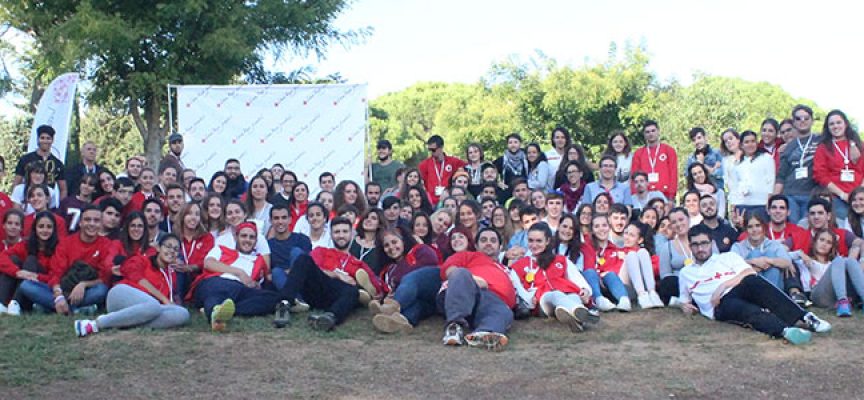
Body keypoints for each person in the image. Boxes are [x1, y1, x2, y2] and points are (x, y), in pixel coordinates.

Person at [678, 224, 831, 345]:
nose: (700, 248)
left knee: (754, 282)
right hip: (719, 305)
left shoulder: (727, 257)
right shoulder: (686, 273)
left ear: (711, 243)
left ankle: (806, 318)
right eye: (695, 245)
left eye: (704, 243)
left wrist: (722, 287)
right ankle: (786, 331)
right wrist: (684, 306)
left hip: (736, 288)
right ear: (690, 247)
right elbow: (684, 300)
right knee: (746, 310)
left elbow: (748, 272)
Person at [73, 234, 190, 337]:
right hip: (121, 295)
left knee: (182, 314)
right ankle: (96, 324)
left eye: (175, 249)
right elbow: (134, 275)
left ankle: (125, 323)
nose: (171, 251)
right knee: (153, 305)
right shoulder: (142, 260)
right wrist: (163, 299)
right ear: (158, 248)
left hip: (145, 311)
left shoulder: (171, 275)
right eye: (168, 246)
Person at [18, 206, 114, 314]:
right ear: (80, 223)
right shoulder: (66, 243)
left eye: (96, 220)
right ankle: (75, 309)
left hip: (87, 290)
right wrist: (59, 296)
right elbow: (55, 273)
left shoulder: (107, 245)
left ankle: (53, 308)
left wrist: (83, 285)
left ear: (101, 224)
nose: (91, 224)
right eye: (87, 220)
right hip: (62, 289)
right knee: (26, 285)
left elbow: (104, 278)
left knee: (101, 290)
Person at [276, 217, 364, 331]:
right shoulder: (321, 251)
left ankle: (329, 318)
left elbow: (374, 284)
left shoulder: (358, 262)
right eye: (337, 232)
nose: (341, 235)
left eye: (345, 231)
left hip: (338, 295)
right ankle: (284, 304)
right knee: (303, 259)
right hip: (317, 287)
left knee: (353, 291)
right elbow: (309, 269)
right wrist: (337, 275)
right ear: (331, 234)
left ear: (352, 234)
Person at [436, 228, 516, 350]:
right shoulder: (468, 256)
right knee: (461, 273)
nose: (488, 243)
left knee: (503, 312)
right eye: (484, 240)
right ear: (476, 246)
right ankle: (454, 327)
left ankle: (483, 334)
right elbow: (450, 271)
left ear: (500, 247)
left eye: (493, 240)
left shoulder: (506, 269)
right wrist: (473, 280)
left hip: (492, 303)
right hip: (464, 291)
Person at [191, 221, 279, 332]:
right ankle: (216, 312)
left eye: (251, 237)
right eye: (243, 236)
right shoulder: (221, 249)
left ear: (256, 241)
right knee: (221, 292)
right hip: (214, 282)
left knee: (273, 299)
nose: (247, 240)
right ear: (236, 237)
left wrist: (254, 284)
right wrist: (239, 272)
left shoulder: (259, 260)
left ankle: (220, 310)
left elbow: (258, 284)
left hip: (240, 290)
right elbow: (209, 264)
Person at [509, 222, 594, 329]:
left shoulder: (561, 260)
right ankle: (582, 313)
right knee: (555, 295)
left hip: (567, 295)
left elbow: (577, 279)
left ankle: (577, 321)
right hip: (543, 302)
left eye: (539, 241)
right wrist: (531, 299)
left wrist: (585, 290)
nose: (534, 245)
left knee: (574, 296)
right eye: (531, 240)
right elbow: (520, 291)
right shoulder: (519, 266)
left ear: (548, 241)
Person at [369, 227, 440, 333]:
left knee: (410, 279)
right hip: (421, 302)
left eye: (394, 242)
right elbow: (389, 289)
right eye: (386, 245)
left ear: (403, 241)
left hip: (432, 288)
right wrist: (386, 296)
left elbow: (432, 261)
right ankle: (398, 322)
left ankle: (389, 309)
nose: (391, 247)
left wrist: (400, 282)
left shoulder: (419, 250)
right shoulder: (388, 270)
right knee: (415, 308)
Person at [799, 228, 864, 317]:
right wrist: (799, 253)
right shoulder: (805, 261)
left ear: (832, 247)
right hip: (818, 296)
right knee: (839, 260)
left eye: (829, 242)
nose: (824, 244)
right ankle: (843, 302)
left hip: (836, 295)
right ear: (815, 242)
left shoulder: (835, 264)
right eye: (822, 240)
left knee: (850, 261)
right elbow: (787, 257)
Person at [0, 211, 57, 311]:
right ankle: (3, 304)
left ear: (54, 229)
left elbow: (56, 276)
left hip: (41, 287)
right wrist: (17, 272)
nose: (45, 230)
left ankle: (17, 303)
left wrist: (35, 276)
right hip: (25, 281)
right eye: (41, 226)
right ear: (35, 228)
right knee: (13, 259)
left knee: (31, 260)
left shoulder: (59, 248)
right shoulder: (26, 244)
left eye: (49, 227)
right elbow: (2, 257)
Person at [813, 110, 862, 222]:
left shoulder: (859, 144)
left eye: (838, 122)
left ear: (846, 124)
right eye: (832, 124)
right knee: (844, 229)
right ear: (828, 127)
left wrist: (860, 193)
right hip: (837, 197)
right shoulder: (823, 148)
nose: (835, 126)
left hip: (859, 196)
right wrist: (842, 195)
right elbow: (820, 175)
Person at [776, 107, 823, 223]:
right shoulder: (788, 147)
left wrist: (852, 144)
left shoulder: (821, 140)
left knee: (809, 231)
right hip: (791, 195)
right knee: (795, 232)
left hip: (812, 194)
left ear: (812, 120)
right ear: (794, 123)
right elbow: (781, 176)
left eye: (806, 118)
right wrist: (774, 197)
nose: (802, 121)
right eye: (798, 118)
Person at [730, 211, 793, 289]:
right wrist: (753, 262)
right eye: (750, 227)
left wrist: (767, 260)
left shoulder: (774, 244)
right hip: (748, 288)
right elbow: (732, 265)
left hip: (775, 286)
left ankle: (768, 296)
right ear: (746, 229)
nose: (754, 230)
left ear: (763, 227)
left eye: (758, 225)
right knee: (755, 253)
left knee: (770, 254)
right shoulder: (738, 246)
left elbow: (787, 262)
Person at [585, 214, 631, 312]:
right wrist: (600, 275)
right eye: (597, 226)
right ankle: (599, 300)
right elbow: (588, 267)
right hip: (593, 284)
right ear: (592, 230)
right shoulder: (587, 246)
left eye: (604, 225)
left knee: (610, 274)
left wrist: (606, 274)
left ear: (609, 227)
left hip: (610, 285)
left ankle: (624, 300)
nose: (601, 229)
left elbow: (618, 270)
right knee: (589, 272)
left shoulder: (614, 249)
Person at [14, 125, 67, 199]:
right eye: (42, 138)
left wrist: (61, 207)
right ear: (37, 139)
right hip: (27, 201)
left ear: (52, 140)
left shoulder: (58, 164)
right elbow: (17, 183)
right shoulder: (25, 159)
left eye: (48, 138)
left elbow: (63, 189)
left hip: (47, 204)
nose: (45, 141)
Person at [620, 221, 663, 309]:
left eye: (631, 235)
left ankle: (652, 293)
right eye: (626, 233)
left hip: (645, 286)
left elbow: (657, 270)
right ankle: (642, 295)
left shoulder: (647, 255)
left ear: (640, 240)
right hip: (624, 287)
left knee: (642, 252)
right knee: (631, 255)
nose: (627, 237)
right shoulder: (618, 251)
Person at [267, 204, 312, 290]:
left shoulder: (302, 239)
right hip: (282, 283)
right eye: (276, 218)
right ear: (270, 221)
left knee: (296, 252)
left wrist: (290, 272)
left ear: (290, 220)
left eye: (284, 218)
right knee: (276, 272)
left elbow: (307, 266)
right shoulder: (268, 245)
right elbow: (269, 274)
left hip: (304, 282)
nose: (280, 221)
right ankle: (296, 300)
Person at [630, 120, 677, 201]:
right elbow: (634, 175)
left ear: (658, 131)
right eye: (647, 132)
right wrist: (634, 194)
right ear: (644, 135)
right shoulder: (639, 153)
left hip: (665, 194)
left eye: (653, 131)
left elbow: (673, 173)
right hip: (644, 195)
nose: (650, 134)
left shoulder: (669, 150)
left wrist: (672, 196)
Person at [351, 208, 385, 274]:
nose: (368, 220)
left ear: (380, 224)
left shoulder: (382, 247)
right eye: (366, 217)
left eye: (373, 218)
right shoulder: (352, 239)